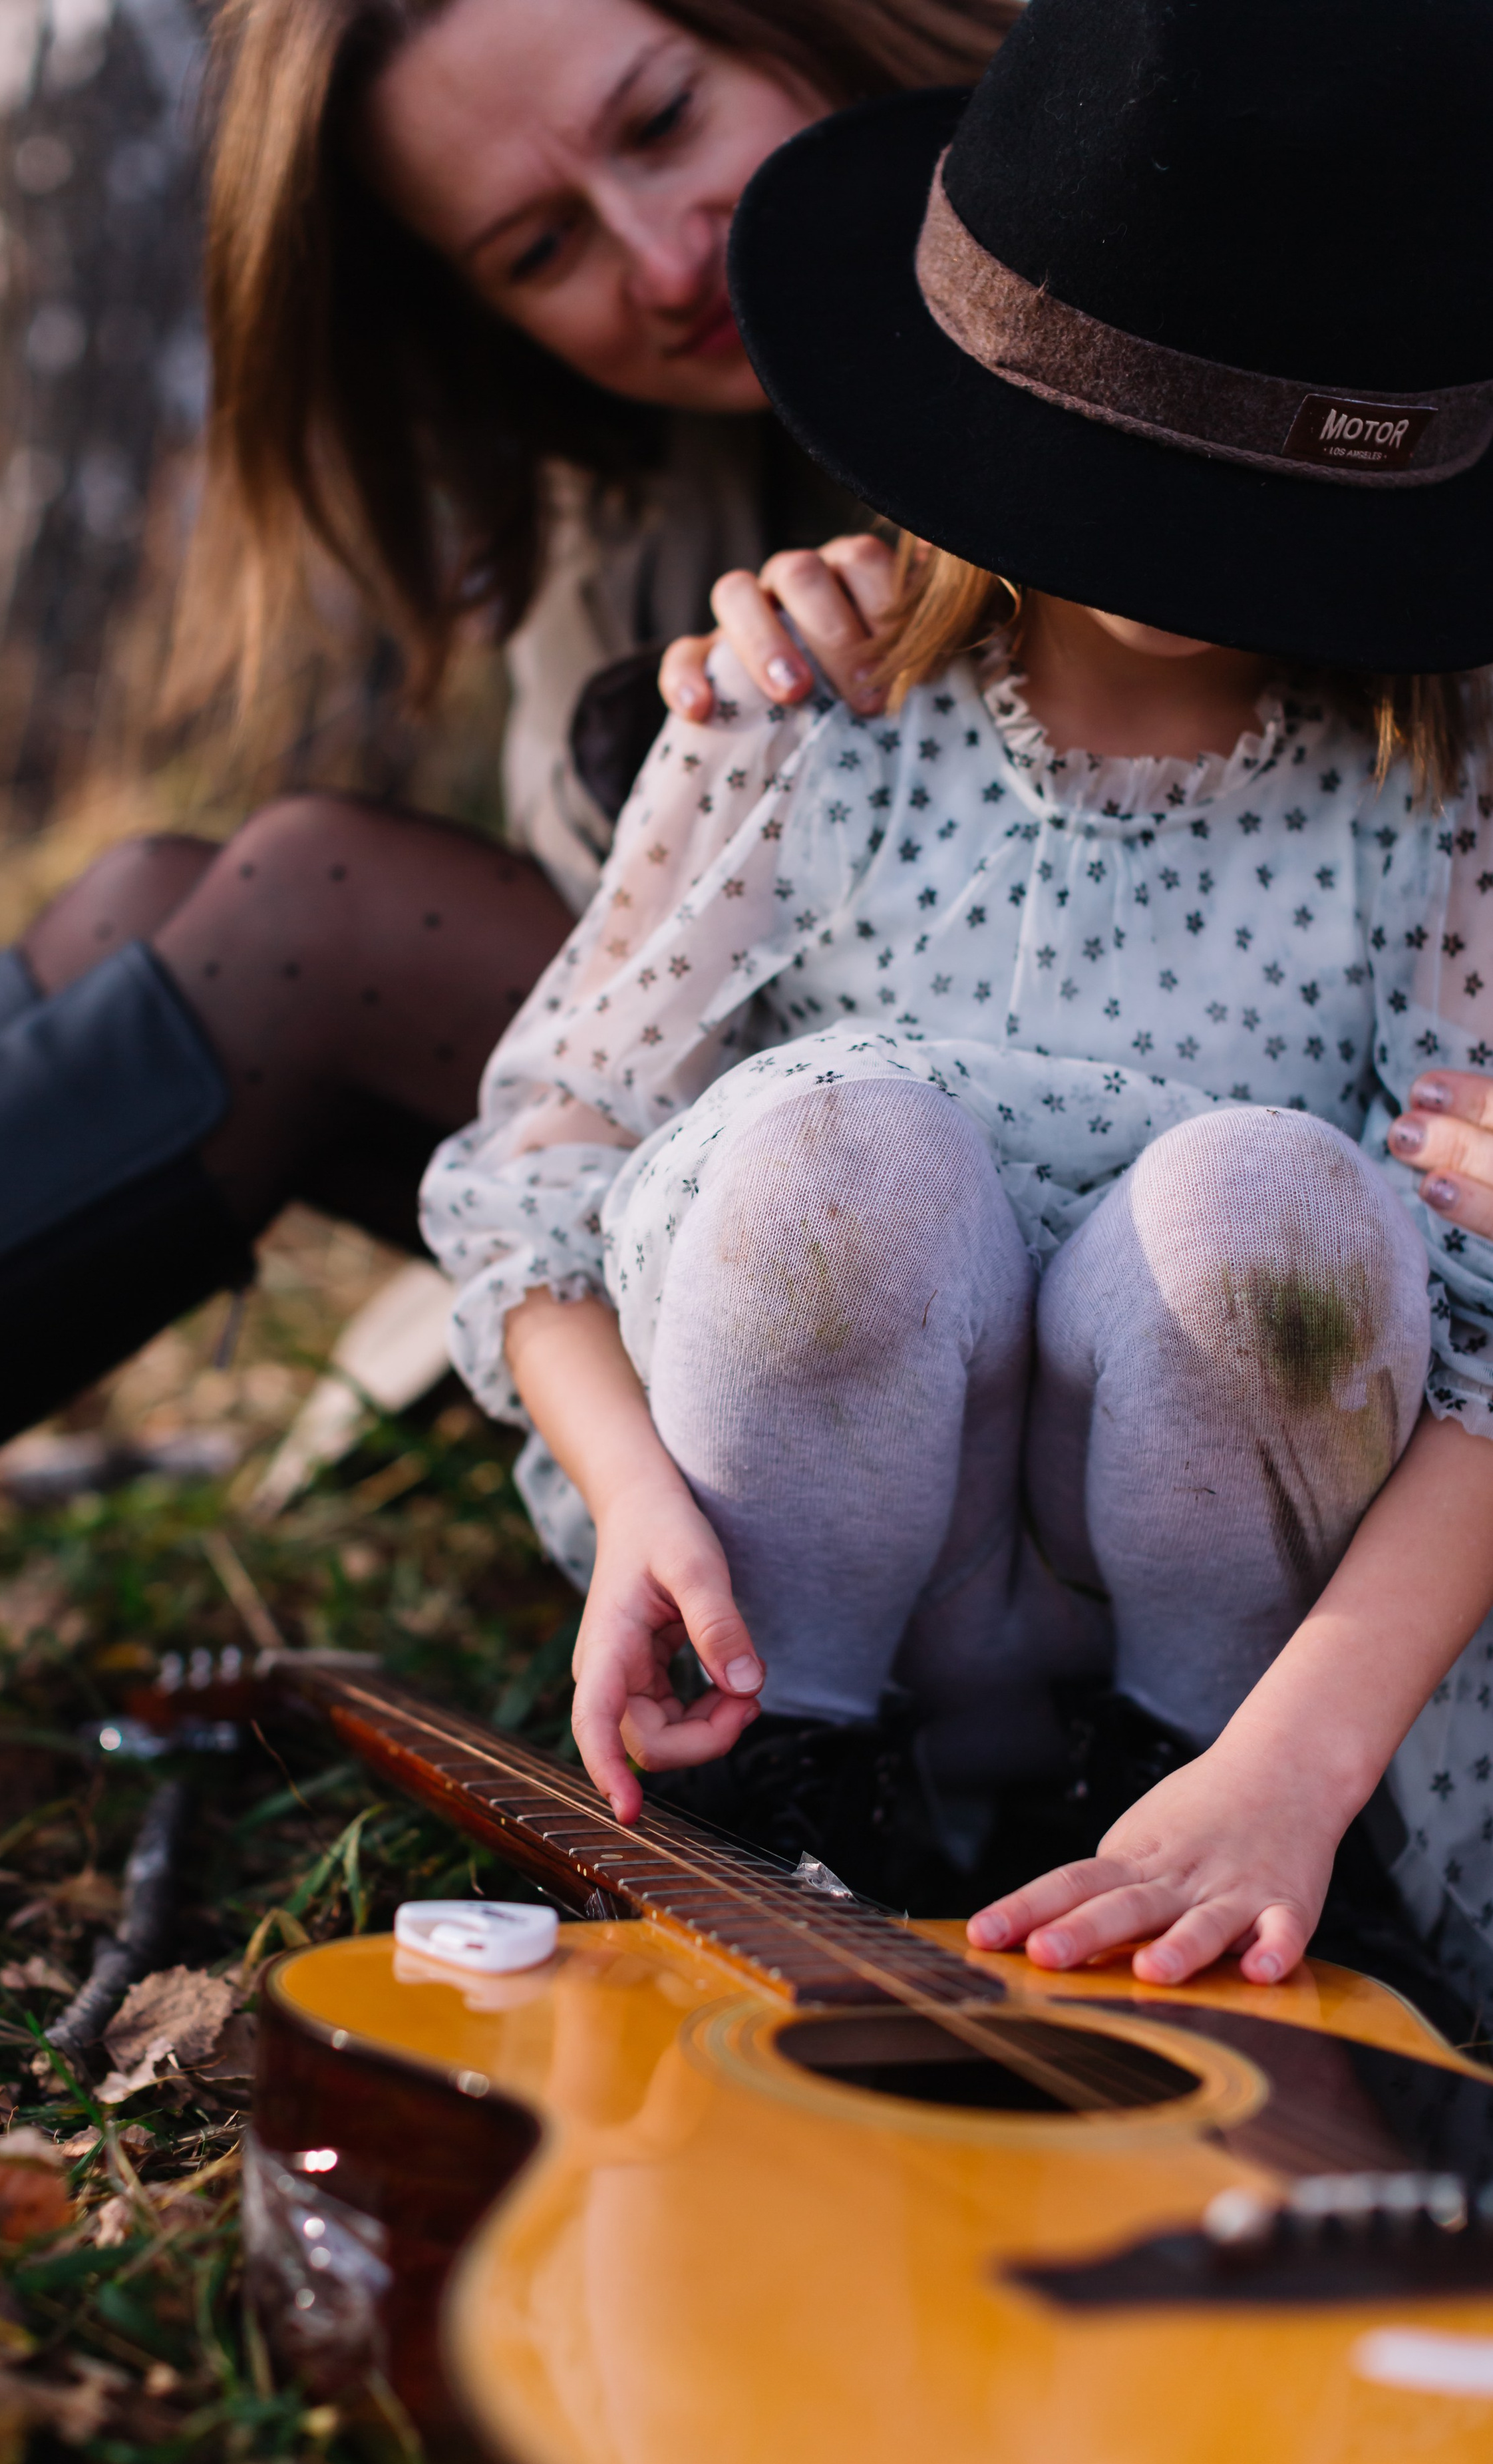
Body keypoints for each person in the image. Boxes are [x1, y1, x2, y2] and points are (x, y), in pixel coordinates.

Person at [420, 0, 1493, 2014]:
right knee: (845, 1155)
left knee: (1264, 1213)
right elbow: (533, 1161)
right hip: (812, 1598)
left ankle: (1177, 1821)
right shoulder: (803, 726)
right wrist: (641, 1500)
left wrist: (1294, 1764)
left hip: (1234, 1684)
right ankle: (787, 1790)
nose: (1175, 521)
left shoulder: (1442, 802)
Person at [0, 0, 1015, 1566]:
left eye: (657, 122)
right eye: (535, 252)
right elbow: (598, 972)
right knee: (148, 903)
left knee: (322, 916)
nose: (656, 261)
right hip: (782, 1200)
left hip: (1089, 1276)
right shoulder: (642, 478)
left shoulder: (1157, 282)